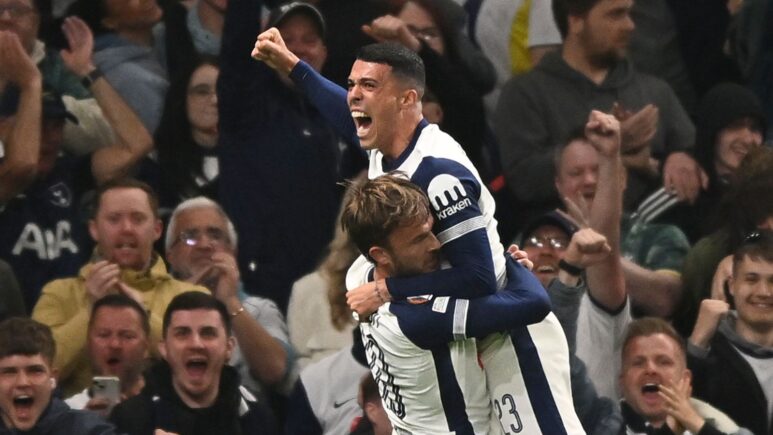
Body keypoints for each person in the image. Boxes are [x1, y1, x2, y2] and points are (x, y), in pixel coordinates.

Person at [254, 33, 589, 432]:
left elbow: (480, 278)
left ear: (407, 100)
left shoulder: (438, 174)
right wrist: (295, 67)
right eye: (352, 85)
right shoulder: (387, 146)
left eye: (369, 85)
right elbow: (344, 115)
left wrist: (386, 290)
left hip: (511, 330)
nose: (354, 96)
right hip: (473, 329)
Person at [340, 174, 582, 433]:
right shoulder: (413, 320)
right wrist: (508, 264)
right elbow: (533, 303)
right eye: (419, 239)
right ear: (380, 255)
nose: (435, 244)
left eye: (431, 230)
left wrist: (389, 288)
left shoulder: (358, 276)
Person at [494, 0, 702, 229]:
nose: (630, 25)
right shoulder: (526, 94)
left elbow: (695, 150)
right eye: (616, 14)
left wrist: (681, 156)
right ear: (576, 21)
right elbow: (524, 180)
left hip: (654, 240)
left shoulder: (655, 91)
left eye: (629, 14)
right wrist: (609, 148)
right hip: (564, 238)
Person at [219, 0, 366, 313]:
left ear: (324, 51)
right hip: (263, 288)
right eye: (285, 40)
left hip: (329, 286)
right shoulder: (246, 108)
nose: (298, 49)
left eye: (309, 40)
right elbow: (236, 47)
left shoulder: (341, 117)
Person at [0, 17, 154, 310]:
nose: (49, 137)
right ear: (4, 126)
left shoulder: (70, 172)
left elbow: (137, 144)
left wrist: (87, 72)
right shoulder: (7, 174)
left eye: (57, 125)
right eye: (39, 124)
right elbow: (23, 165)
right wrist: (30, 83)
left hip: (74, 317)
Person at [31, 178, 207, 397]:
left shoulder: (191, 296)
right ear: (94, 229)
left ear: (157, 229)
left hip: (167, 413)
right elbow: (38, 371)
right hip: (84, 413)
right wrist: (90, 310)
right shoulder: (58, 294)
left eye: (138, 219)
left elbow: (201, 363)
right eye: (114, 219)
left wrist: (142, 314)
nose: (126, 228)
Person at [164, 197, 295, 397]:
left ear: (232, 251)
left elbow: (275, 371)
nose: (204, 244)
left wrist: (230, 301)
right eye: (190, 236)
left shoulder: (259, 309)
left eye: (215, 235)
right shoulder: (153, 305)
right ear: (170, 254)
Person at [553, 129, 690, 318]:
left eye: (598, 170)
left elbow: (664, 300)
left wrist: (596, 248)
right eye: (576, 173)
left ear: (622, 178)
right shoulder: (539, 238)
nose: (589, 180)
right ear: (559, 185)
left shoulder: (660, 236)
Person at [109, 291, 278, 434]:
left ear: (229, 347)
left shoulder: (256, 414)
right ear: (164, 349)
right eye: (182, 333)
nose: (196, 344)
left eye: (208, 333)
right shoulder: (130, 418)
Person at [0, 0, 113, 156]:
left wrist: (45, 109)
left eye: (17, 10)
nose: (5, 18)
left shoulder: (59, 65)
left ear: (36, 21)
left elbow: (112, 134)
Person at [687, 230, 773, 435]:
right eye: (751, 279)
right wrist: (696, 346)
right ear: (732, 285)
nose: (764, 292)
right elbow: (677, 411)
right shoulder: (706, 352)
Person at [619, 317, 753, 435]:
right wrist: (670, 430)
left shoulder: (723, 426)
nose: (651, 369)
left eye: (664, 362)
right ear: (622, 381)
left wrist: (694, 423)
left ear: (686, 379)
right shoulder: (608, 424)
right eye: (638, 363)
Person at [0, 317, 119, 434]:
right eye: (9, 372)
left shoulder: (86, 430)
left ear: (53, 378)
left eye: (35, 371)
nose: (22, 382)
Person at [65, 294, 149, 414]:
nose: (115, 344)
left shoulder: (165, 408)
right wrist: (86, 423)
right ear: (88, 343)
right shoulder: (69, 414)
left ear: (146, 346)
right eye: (103, 335)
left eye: (127, 336)